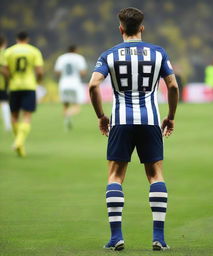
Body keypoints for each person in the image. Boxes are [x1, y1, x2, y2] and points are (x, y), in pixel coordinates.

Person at [89, 7, 179, 251]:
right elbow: (172, 86)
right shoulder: (158, 53)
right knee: (155, 176)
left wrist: (101, 116)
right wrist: (170, 116)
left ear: (120, 29)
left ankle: (116, 236)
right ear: (142, 28)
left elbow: (93, 85)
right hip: (150, 120)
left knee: (116, 177)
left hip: (120, 121)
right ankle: (158, 238)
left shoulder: (108, 55)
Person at [4, 31, 44, 157]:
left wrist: (10, 78)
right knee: (27, 115)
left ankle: (19, 144)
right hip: (29, 86)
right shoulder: (34, 51)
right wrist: (37, 81)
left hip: (14, 86)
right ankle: (19, 142)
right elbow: (39, 71)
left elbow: (4, 69)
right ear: (27, 39)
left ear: (16, 39)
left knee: (14, 115)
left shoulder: (9, 51)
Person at [55, 45, 87, 130]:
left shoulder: (61, 58)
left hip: (63, 84)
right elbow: (83, 72)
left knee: (65, 105)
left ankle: (66, 124)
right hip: (75, 83)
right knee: (77, 107)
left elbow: (57, 72)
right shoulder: (79, 58)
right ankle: (68, 114)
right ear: (76, 50)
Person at [0, 35, 11, 131]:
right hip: (1, 84)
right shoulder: (4, 54)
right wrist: (10, 77)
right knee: (4, 103)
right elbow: (3, 68)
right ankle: (8, 125)